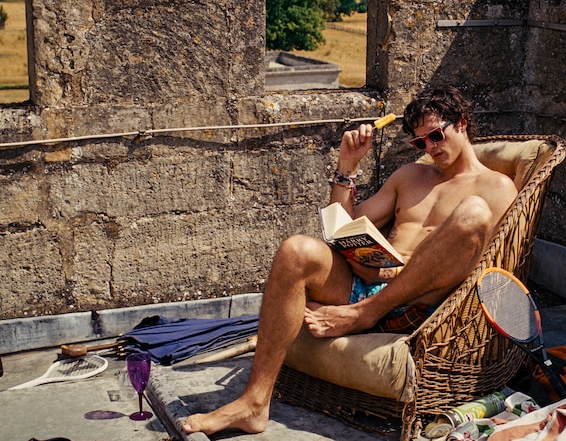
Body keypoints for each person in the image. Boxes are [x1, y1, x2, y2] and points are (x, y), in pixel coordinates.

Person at [182, 86, 518, 436]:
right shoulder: (409, 177)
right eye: (420, 143)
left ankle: (362, 315)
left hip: (419, 306)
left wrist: (397, 277)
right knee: (296, 250)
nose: (430, 148)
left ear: (462, 124)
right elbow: (343, 230)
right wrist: (347, 167)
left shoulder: (498, 188)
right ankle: (254, 402)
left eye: (435, 135)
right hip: (364, 285)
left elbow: (483, 264)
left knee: (473, 212)